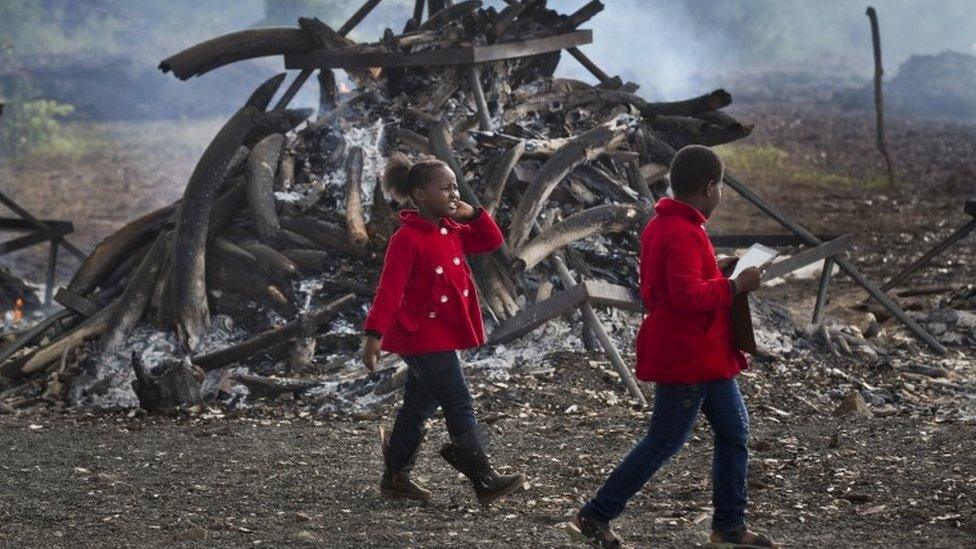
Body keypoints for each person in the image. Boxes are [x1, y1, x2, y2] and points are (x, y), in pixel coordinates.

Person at [568, 145, 778, 548]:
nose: (719, 196)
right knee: (664, 440)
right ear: (709, 186)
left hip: (708, 354)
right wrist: (735, 285)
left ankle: (729, 528)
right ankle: (593, 515)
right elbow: (685, 297)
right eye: (720, 189)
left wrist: (718, 269)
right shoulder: (681, 230)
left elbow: (679, 283)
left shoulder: (671, 224)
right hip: (688, 354)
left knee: (734, 431)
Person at [362, 153, 525, 505]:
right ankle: (484, 479)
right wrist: (373, 335)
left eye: (455, 187)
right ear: (420, 195)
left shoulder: (451, 230)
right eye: (445, 188)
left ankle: (395, 477)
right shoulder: (406, 239)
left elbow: (491, 241)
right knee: (458, 400)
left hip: (441, 336)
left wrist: (475, 213)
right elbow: (389, 291)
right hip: (419, 336)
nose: (454, 194)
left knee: (418, 407)